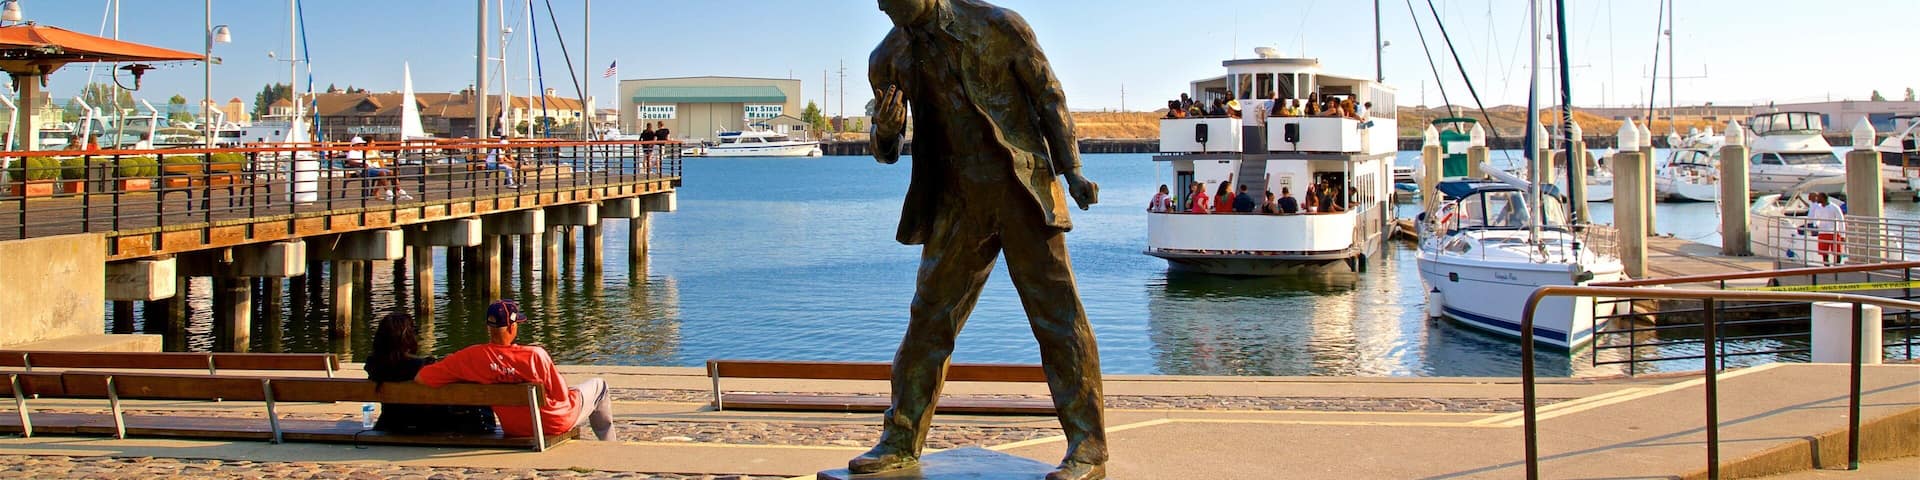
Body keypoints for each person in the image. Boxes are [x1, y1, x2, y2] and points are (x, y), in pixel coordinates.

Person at [860, 1, 1107, 477]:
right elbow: (885, 151)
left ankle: (1088, 447)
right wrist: (886, 133)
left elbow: (1048, 95)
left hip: (1023, 191)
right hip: (955, 203)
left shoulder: (998, 25)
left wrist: (1072, 170)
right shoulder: (887, 57)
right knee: (928, 324)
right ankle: (900, 440)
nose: (887, 9)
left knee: (1059, 319)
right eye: (881, 3)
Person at [415, 300, 616, 441]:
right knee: (600, 387)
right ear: (512, 328)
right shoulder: (535, 356)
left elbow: (424, 377)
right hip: (555, 422)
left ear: (489, 328)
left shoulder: (471, 357)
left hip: (515, 428)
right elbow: (561, 395)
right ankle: (610, 447)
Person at [366, 313, 497, 434]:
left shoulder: (374, 367)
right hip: (428, 424)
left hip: (394, 423)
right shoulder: (422, 366)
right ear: (408, 337)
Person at [1807, 192, 1845, 265]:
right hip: (1822, 232)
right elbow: (1816, 218)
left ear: (1823, 198)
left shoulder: (1834, 207)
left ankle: (1838, 266)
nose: (1817, 199)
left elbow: (1841, 220)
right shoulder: (1818, 207)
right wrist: (1816, 225)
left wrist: (1843, 235)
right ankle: (1826, 266)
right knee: (1824, 252)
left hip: (1833, 232)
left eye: (1819, 197)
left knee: (1837, 251)